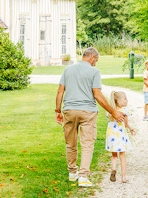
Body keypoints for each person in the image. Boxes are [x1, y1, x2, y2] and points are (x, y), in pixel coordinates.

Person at [55, 47, 125, 188]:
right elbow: (98, 95)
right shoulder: (94, 72)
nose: (95, 64)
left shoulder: (68, 70)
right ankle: (83, 176)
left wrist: (58, 110)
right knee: (87, 144)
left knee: (70, 143)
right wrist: (114, 112)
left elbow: (60, 91)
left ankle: (72, 172)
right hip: (88, 112)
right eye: (96, 61)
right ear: (92, 57)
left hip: (69, 110)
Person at [106, 91, 136, 183]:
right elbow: (126, 125)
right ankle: (123, 177)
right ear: (118, 101)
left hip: (111, 135)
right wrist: (131, 129)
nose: (127, 100)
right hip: (120, 135)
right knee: (122, 155)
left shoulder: (110, 112)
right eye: (125, 98)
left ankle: (113, 169)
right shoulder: (124, 112)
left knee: (114, 155)